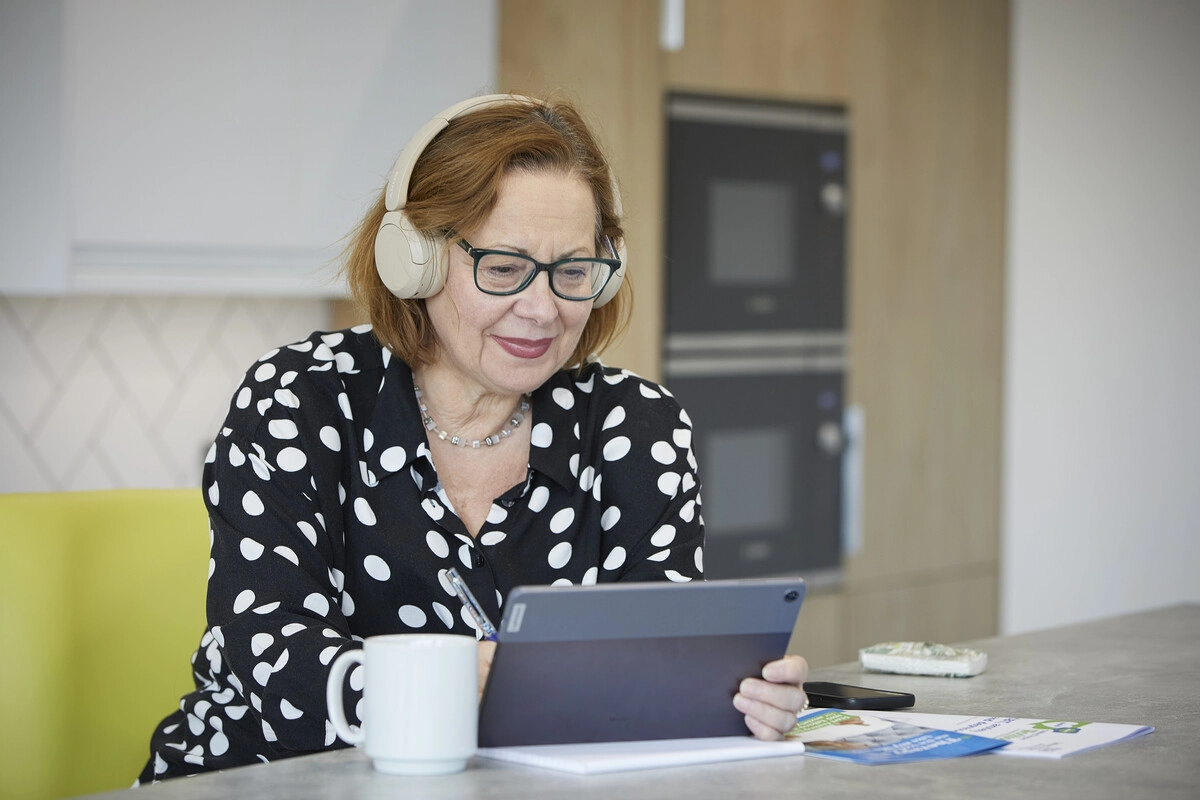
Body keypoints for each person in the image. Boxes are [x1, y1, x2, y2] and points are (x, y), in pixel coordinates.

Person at [137, 93, 808, 783]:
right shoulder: (301, 399)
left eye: (572, 271)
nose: (543, 309)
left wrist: (729, 699)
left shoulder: (637, 427)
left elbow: (650, 677)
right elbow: (270, 658)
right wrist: (452, 682)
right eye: (503, 267)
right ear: (416, 260)